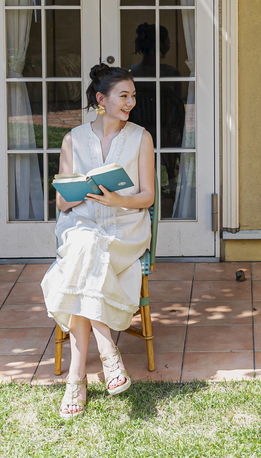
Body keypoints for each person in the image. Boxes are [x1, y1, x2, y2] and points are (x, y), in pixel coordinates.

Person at [41, 64, 156, 418]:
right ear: (100, 100)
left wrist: (116, 199)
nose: (130, 103)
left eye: (132, 96)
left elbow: (148, 196)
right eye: (124, 96)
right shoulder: (73, 139)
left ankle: (76, 377)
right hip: (82, 225)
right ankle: (107, 352)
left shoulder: (141, 138)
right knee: (85, 245)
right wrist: (82, 191)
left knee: (83, 255)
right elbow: (61, 203)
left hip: (124, 230)